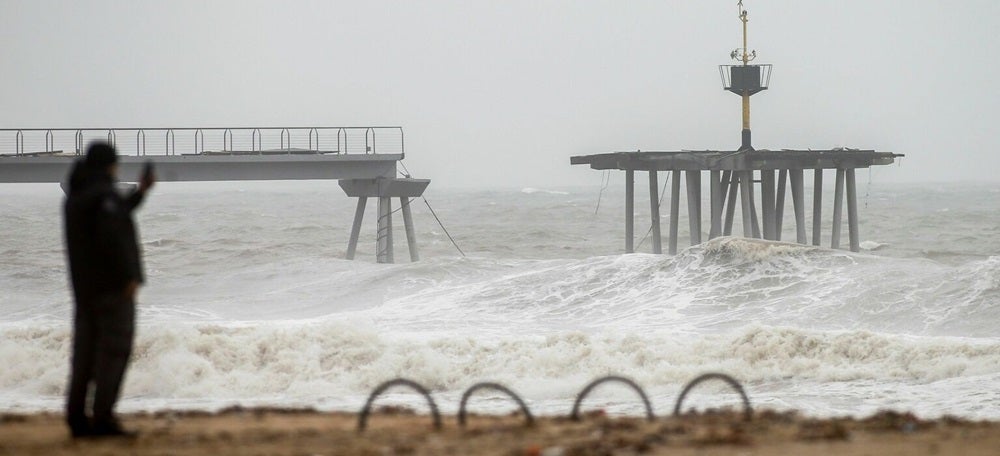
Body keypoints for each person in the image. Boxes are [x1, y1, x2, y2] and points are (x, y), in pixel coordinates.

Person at [63, 142, 155, 438]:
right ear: (109, 165)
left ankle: (76, 418)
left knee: (85, 356)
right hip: (111, 292)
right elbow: (113, 237)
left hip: (84, 291)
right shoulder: (103, 197)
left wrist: (140, 193)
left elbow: (115, 213)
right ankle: (102, 419)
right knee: (114, 352)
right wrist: (131, 277)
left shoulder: (78, 197)